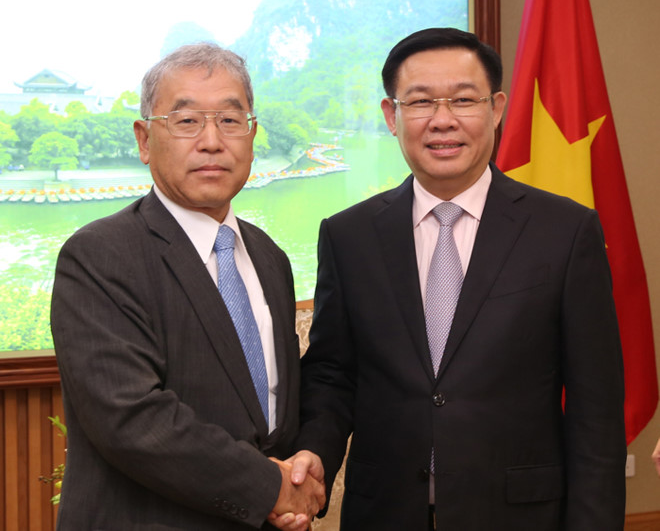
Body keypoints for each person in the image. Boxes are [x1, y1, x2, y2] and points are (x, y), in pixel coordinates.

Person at [288, 28, 626, 530]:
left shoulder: (565, 231)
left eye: (464, 100)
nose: (442, 120)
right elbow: (333, 374)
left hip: (520, 516)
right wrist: (315, 451)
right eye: (421, 102)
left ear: (496, 109)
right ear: (391, 116)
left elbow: (595, 408)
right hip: (384, 513)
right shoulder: (348, 236)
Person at [50, 43, 324, 531]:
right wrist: (270, 488)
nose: (212, 141)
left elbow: (275, 416)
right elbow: (132, 419)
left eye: (230, 120)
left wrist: (301, 468)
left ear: (252, 135)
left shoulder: (269, 258)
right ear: (144, 140)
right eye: (187, 121)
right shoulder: (98, 255)